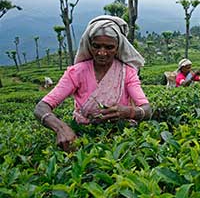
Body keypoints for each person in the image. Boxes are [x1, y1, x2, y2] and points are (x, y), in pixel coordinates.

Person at [34, 15, 152, 152]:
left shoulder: (127, 73)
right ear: (89, 45)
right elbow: (41, 108)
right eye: (96, 46)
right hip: (83, 137)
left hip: (121, 139)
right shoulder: (77, 72)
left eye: (109, 47)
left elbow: (147, 109)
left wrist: (128, 111)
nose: (102, 53)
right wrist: (62, 128)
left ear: (118, 48)